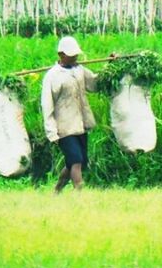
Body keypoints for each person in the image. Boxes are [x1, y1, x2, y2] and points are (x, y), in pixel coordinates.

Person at [40, 36, 111, 193]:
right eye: (71, 56)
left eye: (75, 55)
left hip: (80, 124)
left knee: (77, 162)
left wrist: (109, 66)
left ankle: (57, 190)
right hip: (63, 128)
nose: (74, 58)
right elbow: (47, 106)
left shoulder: (79, 70)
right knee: (76, 161)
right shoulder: (52, 76)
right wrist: (52, 133)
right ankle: (80, 194)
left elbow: (95, 84)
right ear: (61, 55)